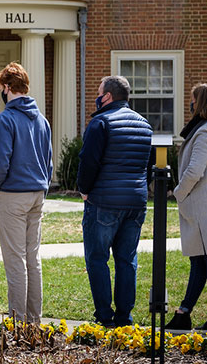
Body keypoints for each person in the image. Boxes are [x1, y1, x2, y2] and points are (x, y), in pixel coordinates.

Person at [77, 75, 152, 327]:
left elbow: (88, 161)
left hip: (104, 202)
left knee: (97, 258)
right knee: (127, 259)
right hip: (135, 203)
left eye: (99, 92)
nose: (97, 97)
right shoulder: (144, 125)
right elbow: (147, 167)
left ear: (107, 96)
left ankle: (104, 316)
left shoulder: (101, 122)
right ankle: (125, 316)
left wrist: (84, 189)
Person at [0, 62, 53, 324]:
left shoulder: (5, 119)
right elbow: (49, 161)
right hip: (37, 192)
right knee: (32, 260)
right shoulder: (42, 120)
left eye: (1, 88)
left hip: (11, 194)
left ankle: (18, 326)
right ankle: (34, 322)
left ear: (6, 87)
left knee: (15, 261)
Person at [165, 84, 207, 331]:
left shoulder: (205, 132)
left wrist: (177, 193)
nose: (190, 104)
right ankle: (185, 313)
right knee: (202, 260)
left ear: (200, 103)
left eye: (192, 100)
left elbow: (195, 170)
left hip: (204, 202)